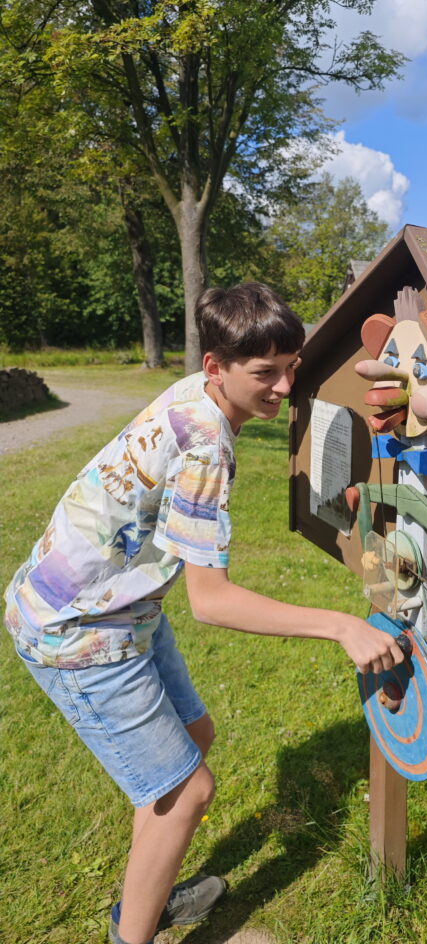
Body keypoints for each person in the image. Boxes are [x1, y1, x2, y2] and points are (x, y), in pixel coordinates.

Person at [4, 282, 404, 944]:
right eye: (265, 373)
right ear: (217, 367)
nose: (283, 386)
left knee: (193, 743)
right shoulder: (206, 444)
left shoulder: (200, 392)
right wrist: (341, 624)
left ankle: (147, 894)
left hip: (117, 606)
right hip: (77, 627)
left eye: (292, 366)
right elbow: (211, 602)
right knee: (188, 793)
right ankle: (132, 935)